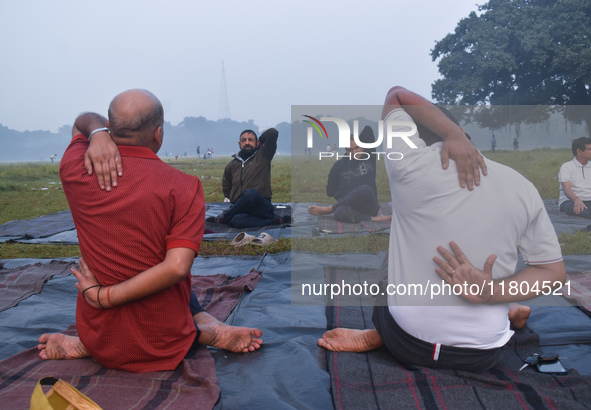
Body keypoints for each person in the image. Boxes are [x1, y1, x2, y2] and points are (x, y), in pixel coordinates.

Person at [318, 86, 565, 372]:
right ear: (462, 129)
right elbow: (553, 273)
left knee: (391, 258)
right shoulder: (522, 186)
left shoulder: (408, 166)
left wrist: (452, 135)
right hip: (483, 354)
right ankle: (508, 309)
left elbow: (396, 95)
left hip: (407, 343)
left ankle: (378, 334)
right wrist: (492, 293)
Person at [38, 89, 262, 373]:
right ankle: (206, 330)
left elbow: (82, 121)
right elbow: (177, 268)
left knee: (144, 260)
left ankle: (85, 345)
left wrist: (97, 133)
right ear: (158, 134)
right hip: (163, 340)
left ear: (111, 129)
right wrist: (102, 296)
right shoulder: (184, 185)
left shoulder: (75, 170)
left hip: (99, 339)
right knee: (170, 262)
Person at [308, 126, 391, 223]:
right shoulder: (338, 166)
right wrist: (346, 195)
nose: (354, 152)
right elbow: (330, 192)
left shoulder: (369, 157)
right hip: (349, 206)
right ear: (346, 151)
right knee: (339, 213)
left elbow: (368, 130)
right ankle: (374, 219)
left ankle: (329, 209)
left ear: (363, 146)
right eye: (350, 150)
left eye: (357, 148)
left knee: (365, 189)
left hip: (369, 205)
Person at [209, 128, 286, 228]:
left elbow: (273, 132)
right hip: (241, 208)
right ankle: (273, 220)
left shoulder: (263, 156)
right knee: (237, 221)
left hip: (261, 206)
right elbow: (226, 188)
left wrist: (261, 141)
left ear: (257, 143)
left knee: (250, 193)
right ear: (239, 144)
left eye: (251, 140)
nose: (247, 142)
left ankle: (225, 217)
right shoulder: (231, 165)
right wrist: (237, 200)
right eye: (244, 140)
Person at [558, 137, 591, 219]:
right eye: (590, 149)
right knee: (580, 211)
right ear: (579, 151)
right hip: (571, 201)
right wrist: (576, 199)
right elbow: (567, 188)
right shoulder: (567, 167)